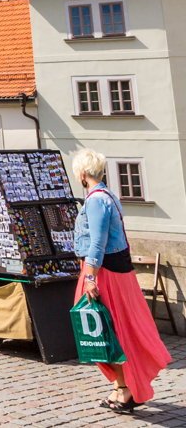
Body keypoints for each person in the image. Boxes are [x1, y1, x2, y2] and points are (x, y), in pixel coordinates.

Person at [72, 149, 170, 413]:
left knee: (108, 332)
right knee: (112, 331)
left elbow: (97, 243)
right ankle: (120, 386)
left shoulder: (95, 201)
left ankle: (126, 389)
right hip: (113, 271)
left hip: (105, 274)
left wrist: (90, 277)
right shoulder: (108, 196)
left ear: (82, 174)